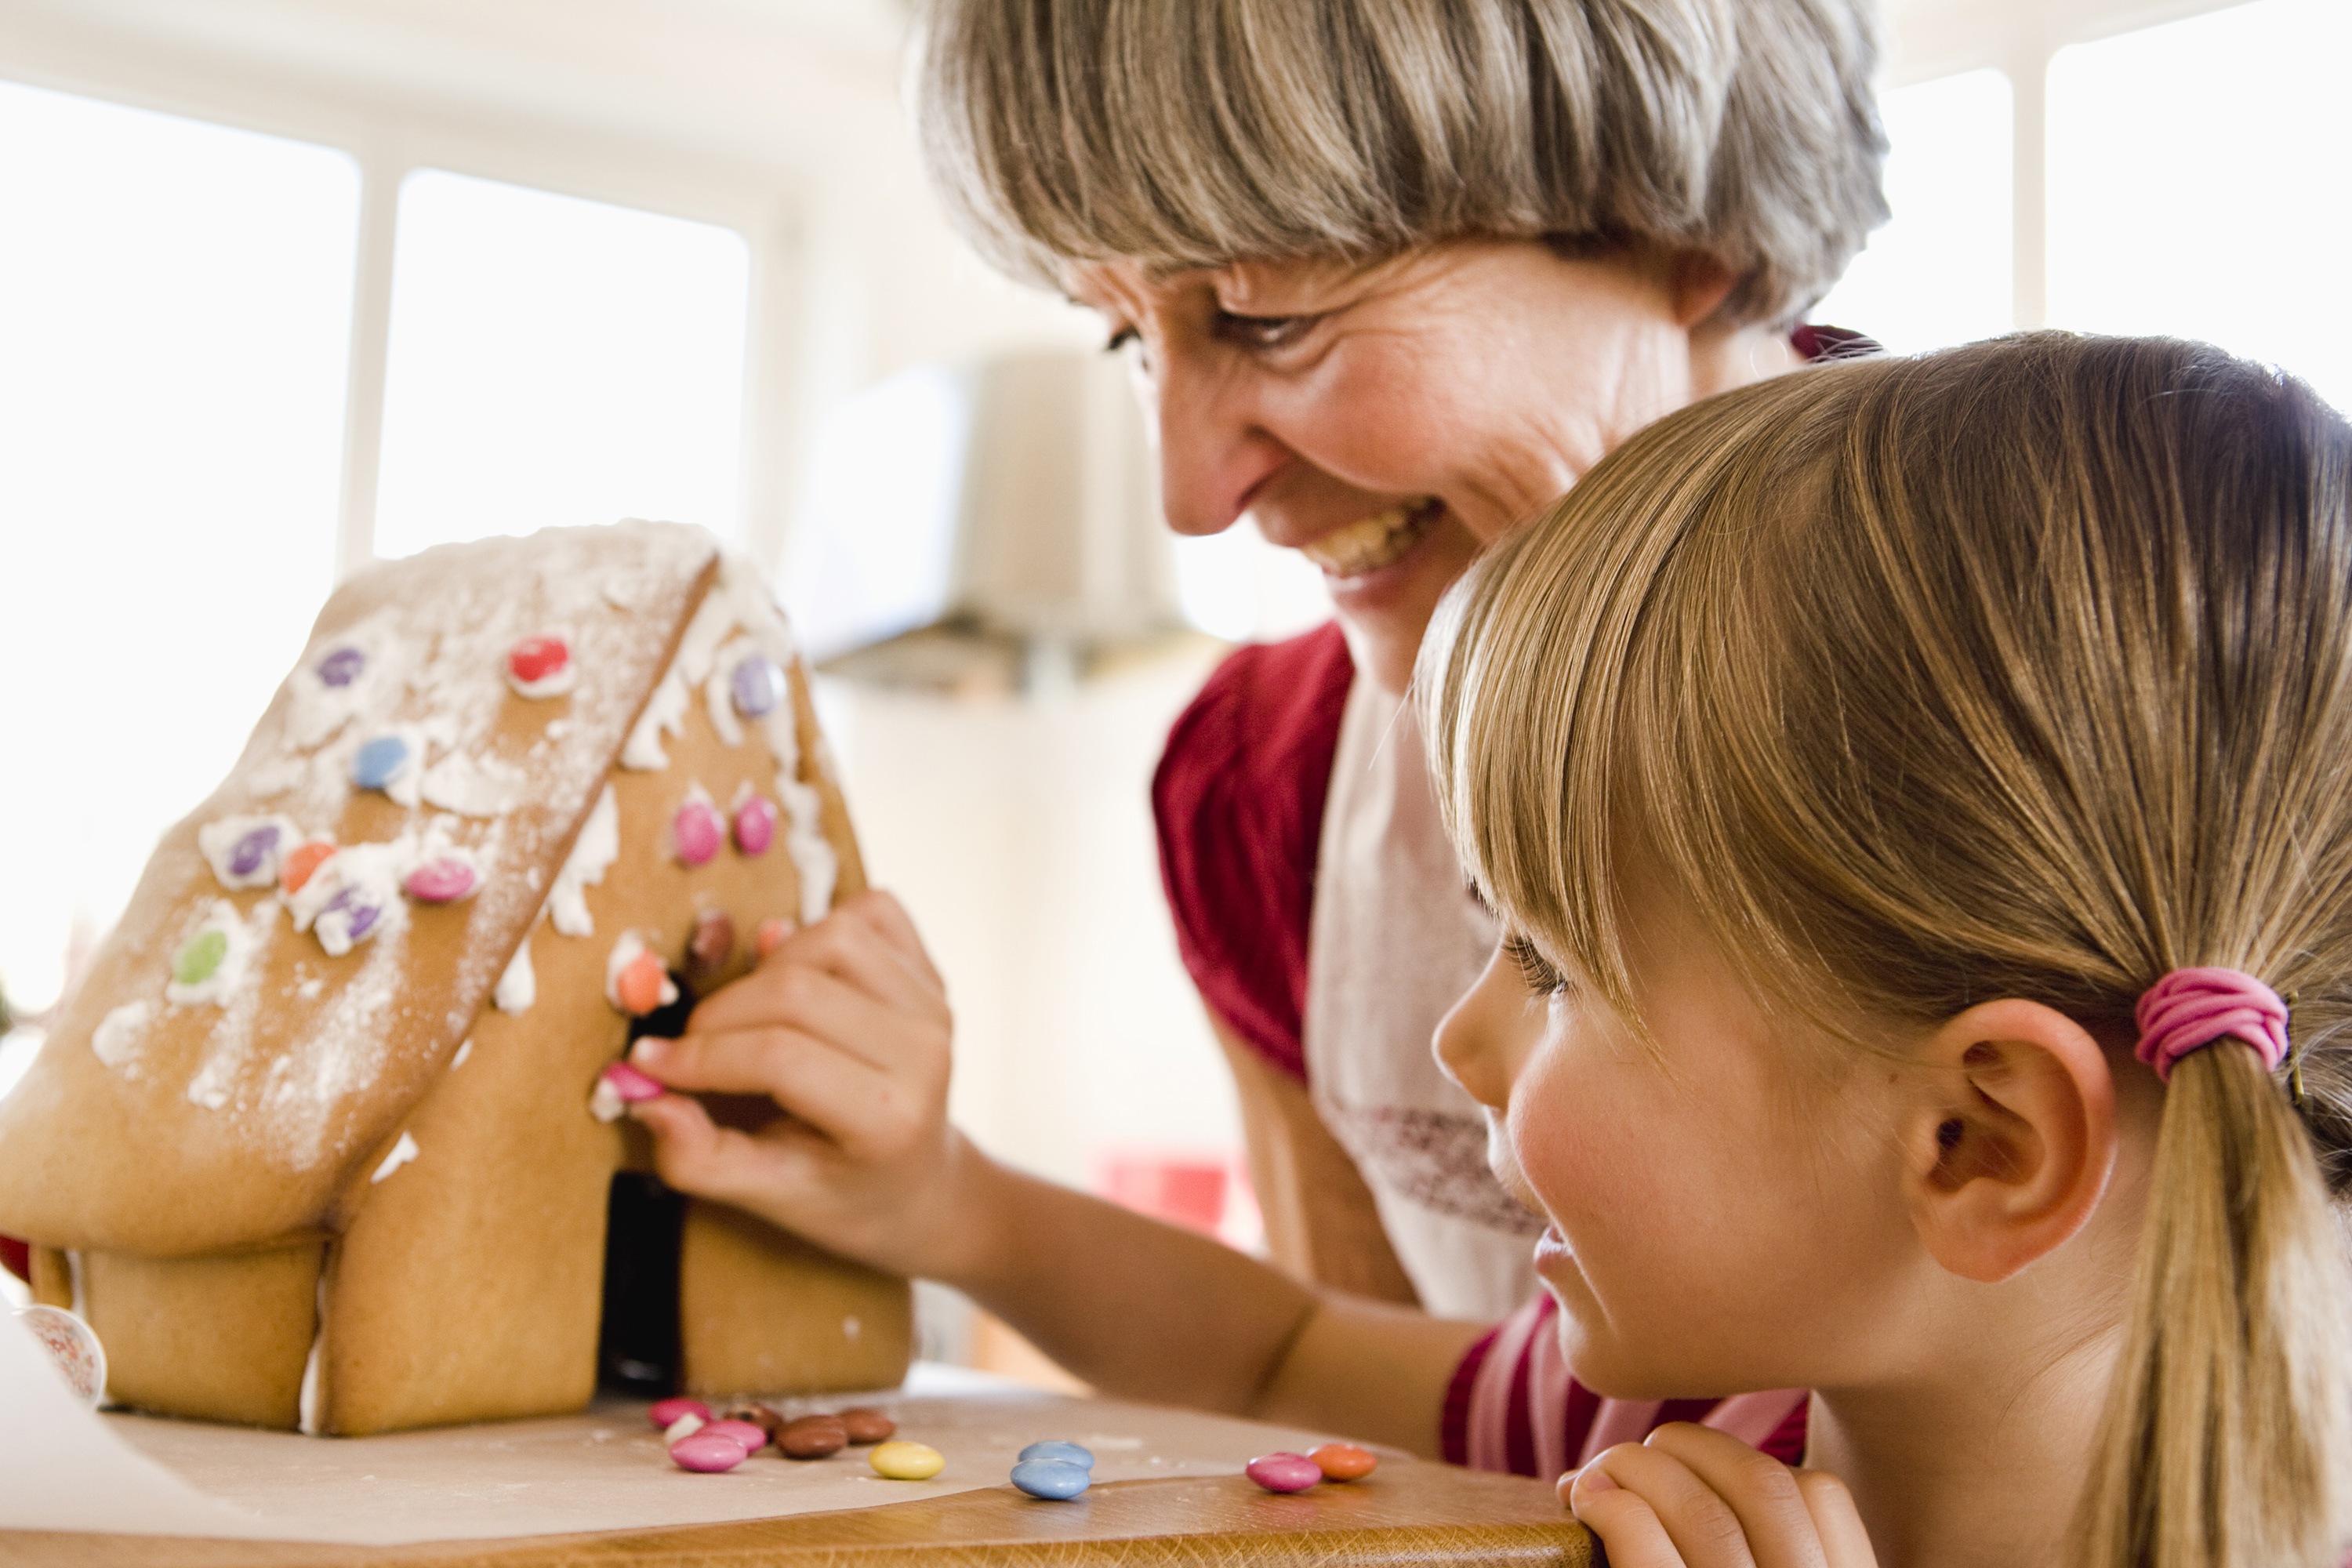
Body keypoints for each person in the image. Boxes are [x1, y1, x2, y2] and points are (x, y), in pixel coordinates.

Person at [635, 332, 2352, 1565]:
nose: (1464, 1040)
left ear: (1978, 1141)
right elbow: (1280, 1356)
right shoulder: (1705, 1411)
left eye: (1552, 964)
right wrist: (946, 1199)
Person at [920, 0, 1889, 1317]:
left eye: (1269, 317)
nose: (1193, 494)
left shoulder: (2096, 687)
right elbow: (1356, 1421)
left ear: (1682, 237)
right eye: (1132, 341)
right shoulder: (1259, 789)